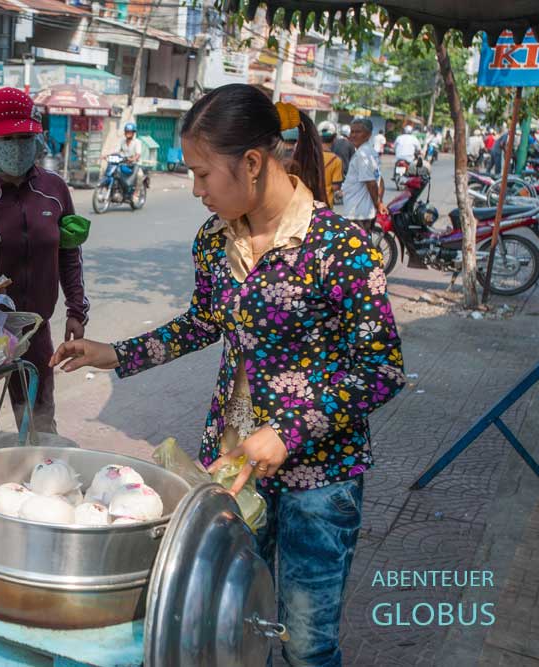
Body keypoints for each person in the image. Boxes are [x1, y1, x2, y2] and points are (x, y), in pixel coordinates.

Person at [49, 84, 404, 667]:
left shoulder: (341, 248)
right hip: (234, 468)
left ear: (254, 163)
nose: (195, 190)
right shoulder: (215, 242)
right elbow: (205, 322)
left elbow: (381, 370)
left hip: (321, 477)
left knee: (306, 643)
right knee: (238, 628)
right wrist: (115, 353)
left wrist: (288, 433)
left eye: (202, 174)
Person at [0, 87, 89, 433]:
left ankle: (39, 480)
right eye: (8, 138)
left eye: (25, 137)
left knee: (39, 425)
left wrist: (76, 309)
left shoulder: (55, 190)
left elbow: (69, 254)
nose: (17, 146)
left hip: (34, 331)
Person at [341, 118, 388, 232]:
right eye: (352, 132)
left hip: (357, 213)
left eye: (358, 132)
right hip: (363, 212)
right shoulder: (369, 152)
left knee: (356, 247)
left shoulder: (363, 154)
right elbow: (379, 179)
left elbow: (372, 183)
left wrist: (378, 204)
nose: (353, 135)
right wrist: (379, 202)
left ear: (368, 135)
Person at [318, 121, 344, 205]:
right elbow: (335, 187)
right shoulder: (336, 160)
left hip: (308, 202)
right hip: (325, 204)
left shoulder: (309, 156)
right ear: (334, 138)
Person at [116, 121, 144, 192]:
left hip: (135, 164)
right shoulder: (122, 141)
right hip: (124, 163)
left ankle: (136, 193)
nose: (128, 133)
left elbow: (138, 154)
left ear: (133, 133)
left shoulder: (137, 142)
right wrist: (107, 155)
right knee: (115, 172)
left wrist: (133, 159)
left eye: (130, 132)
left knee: (139, 175)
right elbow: (117, 151)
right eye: (127, 131)